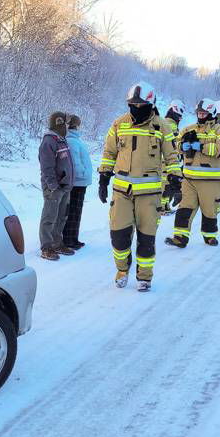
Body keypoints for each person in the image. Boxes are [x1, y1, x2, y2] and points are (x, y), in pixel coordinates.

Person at [98, 81, 181, 291]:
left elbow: (172, 157)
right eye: (132, 104)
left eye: (140, 104)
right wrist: (104, 177)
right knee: (118, 235)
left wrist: (175, 181)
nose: (135, 108)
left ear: (150, 104)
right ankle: (122, 269)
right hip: (122, 192)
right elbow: (109, 153)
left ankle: (144, 277)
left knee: (146, 238)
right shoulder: (119, 123)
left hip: (149, 195)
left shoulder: (162, 126)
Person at [165, 98, 220, 248]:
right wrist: (184, 146)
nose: (201, 116)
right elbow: (174, 145)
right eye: (199, 113)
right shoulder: (188, 129)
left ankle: (210, 237)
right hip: (189, 179)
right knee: (184, 208)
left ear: (212, 113)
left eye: (204, 113)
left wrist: (200, 146)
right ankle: (180, 237)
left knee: (209, 210)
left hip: (211, 180)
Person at [39, 112, 75, 260]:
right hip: (54, 187)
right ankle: (46, 247)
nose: (66, 126)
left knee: (61, 217)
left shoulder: (61, 140)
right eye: (65, 123)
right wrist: (53, 186)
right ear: (59, 123)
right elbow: (46, 167)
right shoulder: (49, 141)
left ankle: (57, 243)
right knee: (49, 217)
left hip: (64, 186)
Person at [62, 114, 92, 250]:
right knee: (73, 211)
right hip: (77, 182)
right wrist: (83, 174)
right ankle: (69, 240)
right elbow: (75, 162)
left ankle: (73, 238)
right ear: (76, 125)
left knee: (76, 212)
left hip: (79, 182)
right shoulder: (72, 141)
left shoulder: (74, 139)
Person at [158, 99, 184, 215]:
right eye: (180, 115)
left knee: (165, 182)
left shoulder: (165, 121)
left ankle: (165, 205)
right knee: (166, 183)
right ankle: (163, 207)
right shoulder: (171, 124)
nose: (180, 118)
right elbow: (172, 143)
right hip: (166, 159)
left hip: (163, 158)